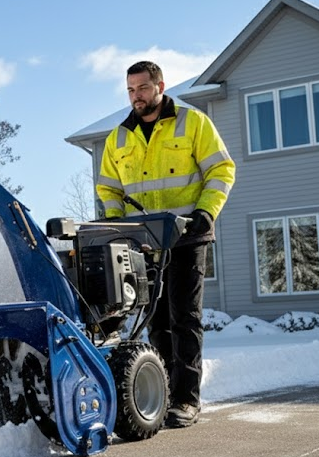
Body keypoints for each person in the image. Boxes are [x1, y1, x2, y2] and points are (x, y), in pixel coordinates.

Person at [96, 61, 235, 428]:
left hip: (188, 236)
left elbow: (222, 169)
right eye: (130, 90)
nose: (135, 96)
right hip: (144, 244)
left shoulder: (192, 123)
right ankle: (164, 395)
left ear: (160, 86)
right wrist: (115, 224)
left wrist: (206, 212)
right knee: (155, 321)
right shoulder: (119, 137)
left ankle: (188, 401)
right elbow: (109, 188)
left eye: (142, 88)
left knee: (184, 317)